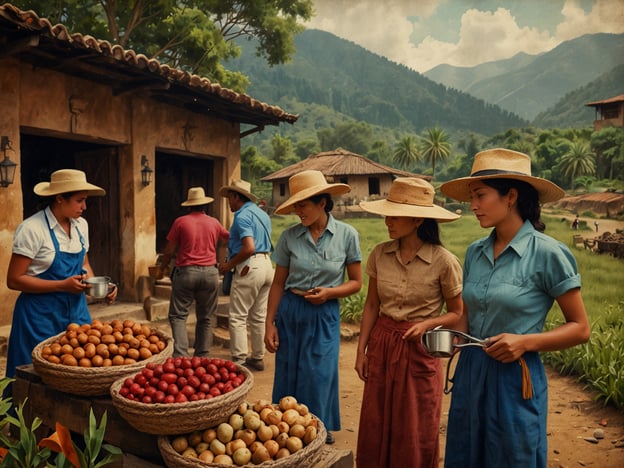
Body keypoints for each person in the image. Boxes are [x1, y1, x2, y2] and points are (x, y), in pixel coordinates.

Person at [439, 148, 591, 467]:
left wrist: (524, 342)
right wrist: (454, 338)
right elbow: (467, 312)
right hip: (471, 372)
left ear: (510, 197)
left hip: (515, 378)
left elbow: (580, 328)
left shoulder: (549, 254)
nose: (473, 206)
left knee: (512, 456)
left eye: (480, 196)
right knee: (466, 453)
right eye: (472, 197)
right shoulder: (474, 252)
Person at [354, 177, 463, 468]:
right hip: (383, 344)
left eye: (395, 215)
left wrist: (428, 325)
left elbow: (457, 313)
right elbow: (372, 306)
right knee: (377, 419)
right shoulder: (380, 253)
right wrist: (361, 351)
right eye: (387, 214)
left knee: (417, 424)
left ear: (417, 219)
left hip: (420, 349)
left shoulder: (444, 261)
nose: (388, 221)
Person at [264, 170, 363, 445]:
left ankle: (317, 427)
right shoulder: (289, 237)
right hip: (291, 310)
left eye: (303, 205)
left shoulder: (347, 235)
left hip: (324, 312)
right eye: (296, 205)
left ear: (322, 203)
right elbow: (277, 284)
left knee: (319, 372)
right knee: (289, 368)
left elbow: (356, 283)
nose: (298, 211)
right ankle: (286, 428)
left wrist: (330, 292)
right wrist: (269, 322)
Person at [6, 169, 117, 380]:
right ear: (59, 199)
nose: (84, 207)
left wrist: (98, 288)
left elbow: (84, 263)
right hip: (39, 318)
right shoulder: (32, 229)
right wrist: (61, 285)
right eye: (79, 201)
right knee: (34, 378)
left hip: (76, 313)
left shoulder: (81, 225)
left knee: (81, 374)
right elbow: (14, 279)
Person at [158, 187, 229, 358]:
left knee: (178, 316)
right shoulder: (214, 222)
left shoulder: (180, 222)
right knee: (205, 317)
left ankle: (181, 357)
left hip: (186, 272)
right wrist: (225, 261)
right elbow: (229, 239)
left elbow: (169, 249)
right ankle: (202, 357)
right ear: (204, 205)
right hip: (210, 274)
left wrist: (163, 266)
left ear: (189, 206)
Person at [218, 179, 274, 371]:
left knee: (237, 316)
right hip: (267, 264)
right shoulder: (262, 214)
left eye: (229, 199)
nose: (228, 203)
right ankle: (257, 357)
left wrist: (228, 265)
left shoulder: (241, 217)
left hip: (249, 266)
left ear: (235, 197)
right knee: (258, 316)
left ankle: (239, 360)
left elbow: (248, 247)